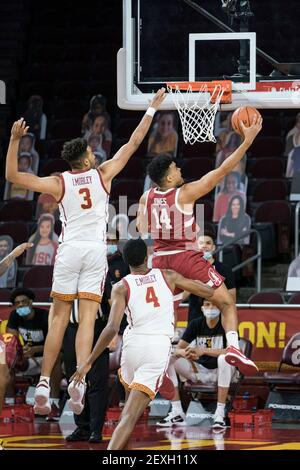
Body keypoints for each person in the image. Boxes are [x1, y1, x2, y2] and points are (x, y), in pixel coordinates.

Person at [5, 88, 166, 415]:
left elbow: (13, 176)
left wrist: (12, 139)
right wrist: (151, 109)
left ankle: (45, 382)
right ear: (89, 159)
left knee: (59, 319)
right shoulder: (103, 175)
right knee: (88, 319)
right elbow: (133, 144)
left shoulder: (59, 182)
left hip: (69, 251)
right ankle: (78, 379)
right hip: (94, 252)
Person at [137, 115, 262, 376]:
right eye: (175, 168)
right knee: (227, 302)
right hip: (186, 257)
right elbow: (223, 170)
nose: (180, 170)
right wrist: (247, 141)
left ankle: (150, 360)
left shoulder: (145, 196)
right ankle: (233, 348)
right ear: (169, 178)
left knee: (163, 317)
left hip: (160, 261)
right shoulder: (185, 192)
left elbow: (141, 229)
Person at [71, 238, 213, 450]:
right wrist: (205, 270)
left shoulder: (121, 286)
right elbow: (208, 292)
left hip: (131, 348)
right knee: (129, 417)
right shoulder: (167, 275)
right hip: (156, 348)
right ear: (147, 256)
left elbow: (111, 328)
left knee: (128, 413)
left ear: (126, 261)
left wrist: (88, 362)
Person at [157, 299, 236, 429]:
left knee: (224, 358)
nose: (211, 308)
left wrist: (204, 350)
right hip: (199, 372)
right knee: (168, 356)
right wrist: (186, 353)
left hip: (222, 372)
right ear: (202, 308)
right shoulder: (196, 324)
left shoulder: (227, 324)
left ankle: (219, 414)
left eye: (215, 304)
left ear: (221, 308)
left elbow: (232, 350)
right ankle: (177, 411)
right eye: (207, 304)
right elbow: (178, 348)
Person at [6, 288, 62, 414]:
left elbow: (56, 343)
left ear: (31, 302)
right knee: (7, 360)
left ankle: (54, 401)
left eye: (23, 302)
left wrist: (36, 349)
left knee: (57, 357)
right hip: (28, 359)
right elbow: (11, 339)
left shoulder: (44, 316)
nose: (20, 305)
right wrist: (20, 349)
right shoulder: (14, 316)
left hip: (46, 357)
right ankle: (9, 401)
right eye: (17, 303)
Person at [62, 301, 109, 443]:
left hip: (96, 328)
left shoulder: (101, 278)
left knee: (97, 381)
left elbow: (112, 302)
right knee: (75, 382)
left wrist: (112, 332)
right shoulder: (64, 279)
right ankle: (82, 427)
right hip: (71, 329)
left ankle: (96, 429)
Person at [188, 231, 236, 323]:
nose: (204, 246)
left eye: (208, 243)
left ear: (213, 248)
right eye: (201, 243)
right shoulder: (189, 269)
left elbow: (232, 299)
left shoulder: (224, 269)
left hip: (220, 320)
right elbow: (182, 296)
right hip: (195, 319)